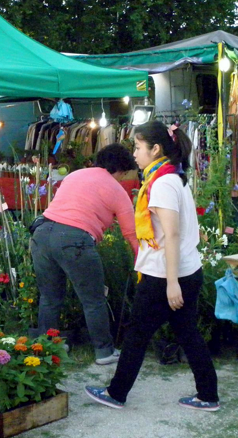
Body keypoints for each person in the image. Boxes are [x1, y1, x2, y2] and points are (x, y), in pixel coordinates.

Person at [85, 121, 219, 411]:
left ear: (155, 149)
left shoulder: (162, 183)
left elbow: (171, 234)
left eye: (137, 146)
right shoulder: (172, 177)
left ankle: (117, 393)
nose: (134, 153)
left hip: (164, 275)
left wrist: (172, 283)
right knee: (187, 333)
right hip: (182, 270)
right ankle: (207, 395)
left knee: (136, 335)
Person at [30, 144, 139, 365]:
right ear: (121, 170)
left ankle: (48, 346)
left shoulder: (74, 175)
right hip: (74, 240)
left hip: (41, 234)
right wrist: (141, 264)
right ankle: (104, 352)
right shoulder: (118, 191)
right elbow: (131, 234)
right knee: (93, 299)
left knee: (50, 298)